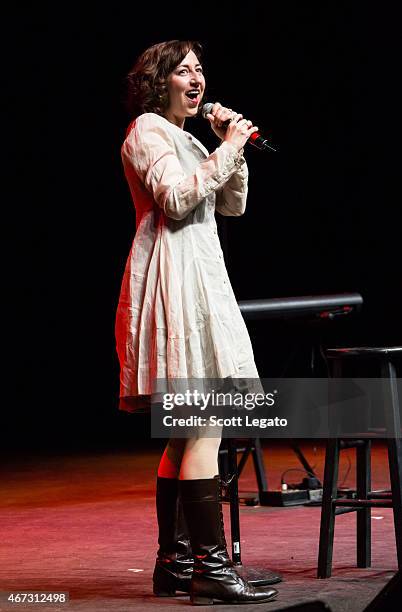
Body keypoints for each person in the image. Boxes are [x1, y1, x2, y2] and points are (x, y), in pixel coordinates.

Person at [115, 40, 278, 605]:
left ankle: (176, 564)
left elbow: (230, 204)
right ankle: (211, 569)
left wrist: (229, 147)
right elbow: (177, 199)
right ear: (159, 82)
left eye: (201, 68)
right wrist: (226, 148)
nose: (197, 76)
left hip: (202, 277)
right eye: (183, 69)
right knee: (206, 420)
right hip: (174, 280)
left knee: (187, 432)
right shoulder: (146, 130)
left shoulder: (186, 137)